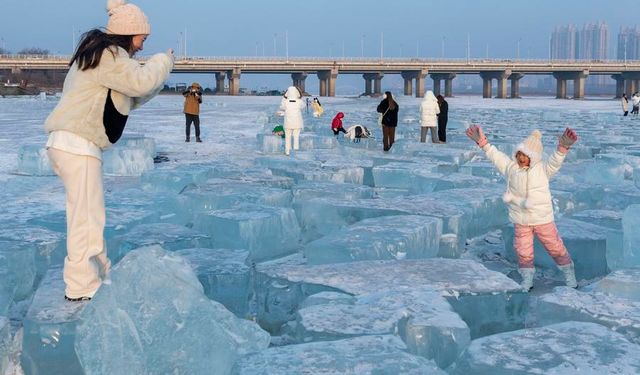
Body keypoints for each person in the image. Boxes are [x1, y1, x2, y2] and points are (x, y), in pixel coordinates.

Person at [44, 0, 173, 301]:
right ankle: (81, 286)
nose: (142, 46)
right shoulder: (109, 56)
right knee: (86, 218)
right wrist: (163, 62)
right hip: (77, 144)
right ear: (130, 33)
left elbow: (133, 93)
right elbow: (141, 80)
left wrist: (155, 78)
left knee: (90, 214)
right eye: (143, 39)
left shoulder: (99, 57)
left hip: (70, 144)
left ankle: (98, 273)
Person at [466, 125, 578, 292]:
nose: (521, 158)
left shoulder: (542, 170)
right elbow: (497, 157)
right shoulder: (511, 169)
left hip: (542, 219)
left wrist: (563, 148)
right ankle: (527, 279)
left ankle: (569, 275)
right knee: (523, 251)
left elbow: (555, 162)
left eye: (525, 155)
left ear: (533, 157)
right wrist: (483, 143)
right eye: (519, 154)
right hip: (521, 220)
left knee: (555, 247)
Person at [279, 86, 305, 155]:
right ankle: (296, 153)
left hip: (288, 123)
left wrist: (284, 98)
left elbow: (281, 107)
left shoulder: (286, 102)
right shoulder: (299, 102)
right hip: (297, 123)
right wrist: (299, 97)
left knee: (288, 138)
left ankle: (287, 152)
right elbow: (303, 106)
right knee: (296, 138)